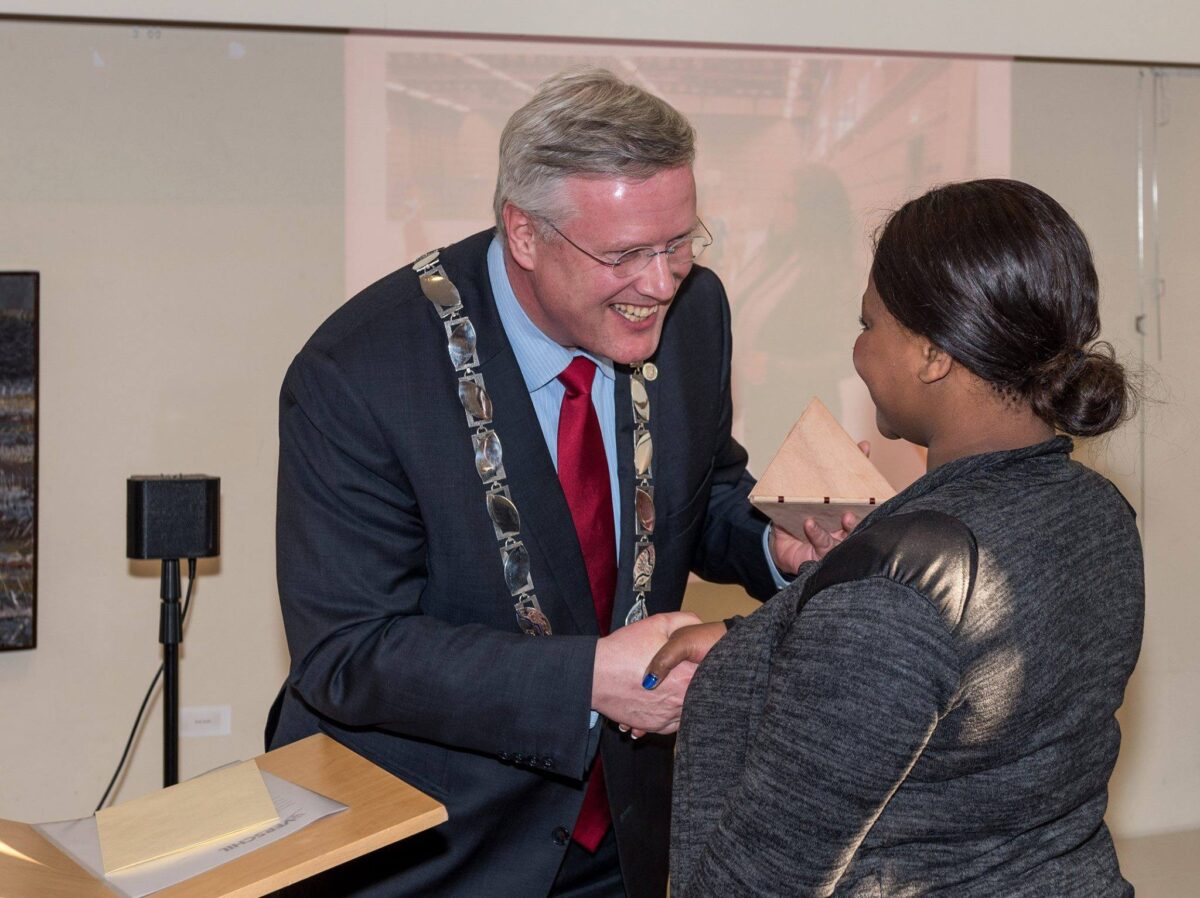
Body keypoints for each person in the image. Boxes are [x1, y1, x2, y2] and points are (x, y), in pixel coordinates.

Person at [266, 67, 813, 898]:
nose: (661, 284)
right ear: (524, 234)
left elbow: (697, 494)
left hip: (622, 843)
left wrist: (772, 541)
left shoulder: (694, 316)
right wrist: (588, 680)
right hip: (429, 848)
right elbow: (347, 653)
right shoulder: (362, 372)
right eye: (627, 254)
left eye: (680, 243)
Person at [655, 179, 1144, 896]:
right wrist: (759, 643)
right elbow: (948, 711)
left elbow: (757, 881)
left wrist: (850, 612)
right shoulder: (1097, 511)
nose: (859, 353)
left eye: (868, 325)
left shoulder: (897, 596)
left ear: (932, 353)